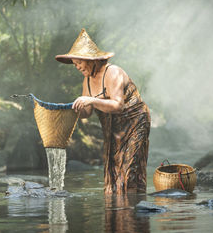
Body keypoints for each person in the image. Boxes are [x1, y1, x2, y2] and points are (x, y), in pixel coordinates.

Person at [55, 28, 151, 194]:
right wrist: (72, 110)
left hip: (135, 122)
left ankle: (132, 211)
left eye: (78, 62)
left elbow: (118, 105)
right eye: (74, 64)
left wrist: (91, 100)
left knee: (129, 168)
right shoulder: (87, 79)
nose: (76, 67)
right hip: (112, 128)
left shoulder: (112, 72)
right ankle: (116, 213)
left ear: (91, 60)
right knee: (112, 174)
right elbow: (87, 113)